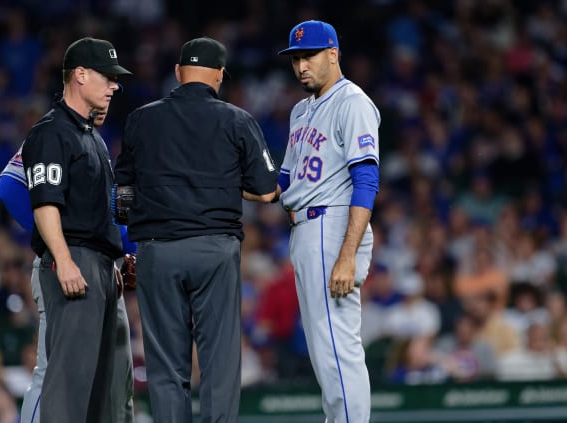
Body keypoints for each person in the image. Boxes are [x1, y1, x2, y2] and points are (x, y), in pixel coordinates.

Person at [113, 37, 280, 422]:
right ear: (219, 76)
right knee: (219, 363)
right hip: (214, 250)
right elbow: (266, 190)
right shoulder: (237, 119)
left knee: (167, 367)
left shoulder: (142, 118)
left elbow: (122, 195)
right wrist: (217, 185)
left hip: (158, 250)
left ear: (177, 73)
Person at [0, 104, 135, 423]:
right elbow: (9, 188)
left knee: (112, 385)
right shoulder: (54, 130)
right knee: (55, 376)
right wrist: (61, 242)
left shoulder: (95, 141)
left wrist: (126, 252)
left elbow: (105, 215)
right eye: (106, 79)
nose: (112, 91)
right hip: (68, 266)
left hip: (102, 268)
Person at [20, 38, 131, 422]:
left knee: (104, 390)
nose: (115, 85)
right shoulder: (52, 132)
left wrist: (113, 260)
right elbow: (45, 203)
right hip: (74, 263)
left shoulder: (91, 136)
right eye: (108, 76)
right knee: (70, 387)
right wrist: (65, 260)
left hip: (98, 263)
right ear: (80, 76)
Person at [276, 20, 381, 423]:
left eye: (310, 56)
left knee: (338, 349)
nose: (301, 65)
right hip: (305, 227)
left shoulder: (351, 101)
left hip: (332, 225)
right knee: (326, 352)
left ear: (333, 53)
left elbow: (366, 179)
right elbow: (281, 185)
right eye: (296, 58)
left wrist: (347, 254)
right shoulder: (301, 110)